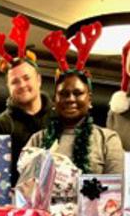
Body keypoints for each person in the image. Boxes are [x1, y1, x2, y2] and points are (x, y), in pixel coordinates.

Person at [25, 23, 123, 175]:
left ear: (89, 100)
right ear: (55, 101)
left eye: (78, 93)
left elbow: (117, 190)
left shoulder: (107, 139)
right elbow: (26, 188)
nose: (70, 99)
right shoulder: (37, 140)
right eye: (63, 94)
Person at [0, 14, 52, 185]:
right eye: (14, 81)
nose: (22, 85)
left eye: (26, 78)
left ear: (39, 80)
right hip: (16, 204)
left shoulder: (60, 118)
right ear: (8, 87)